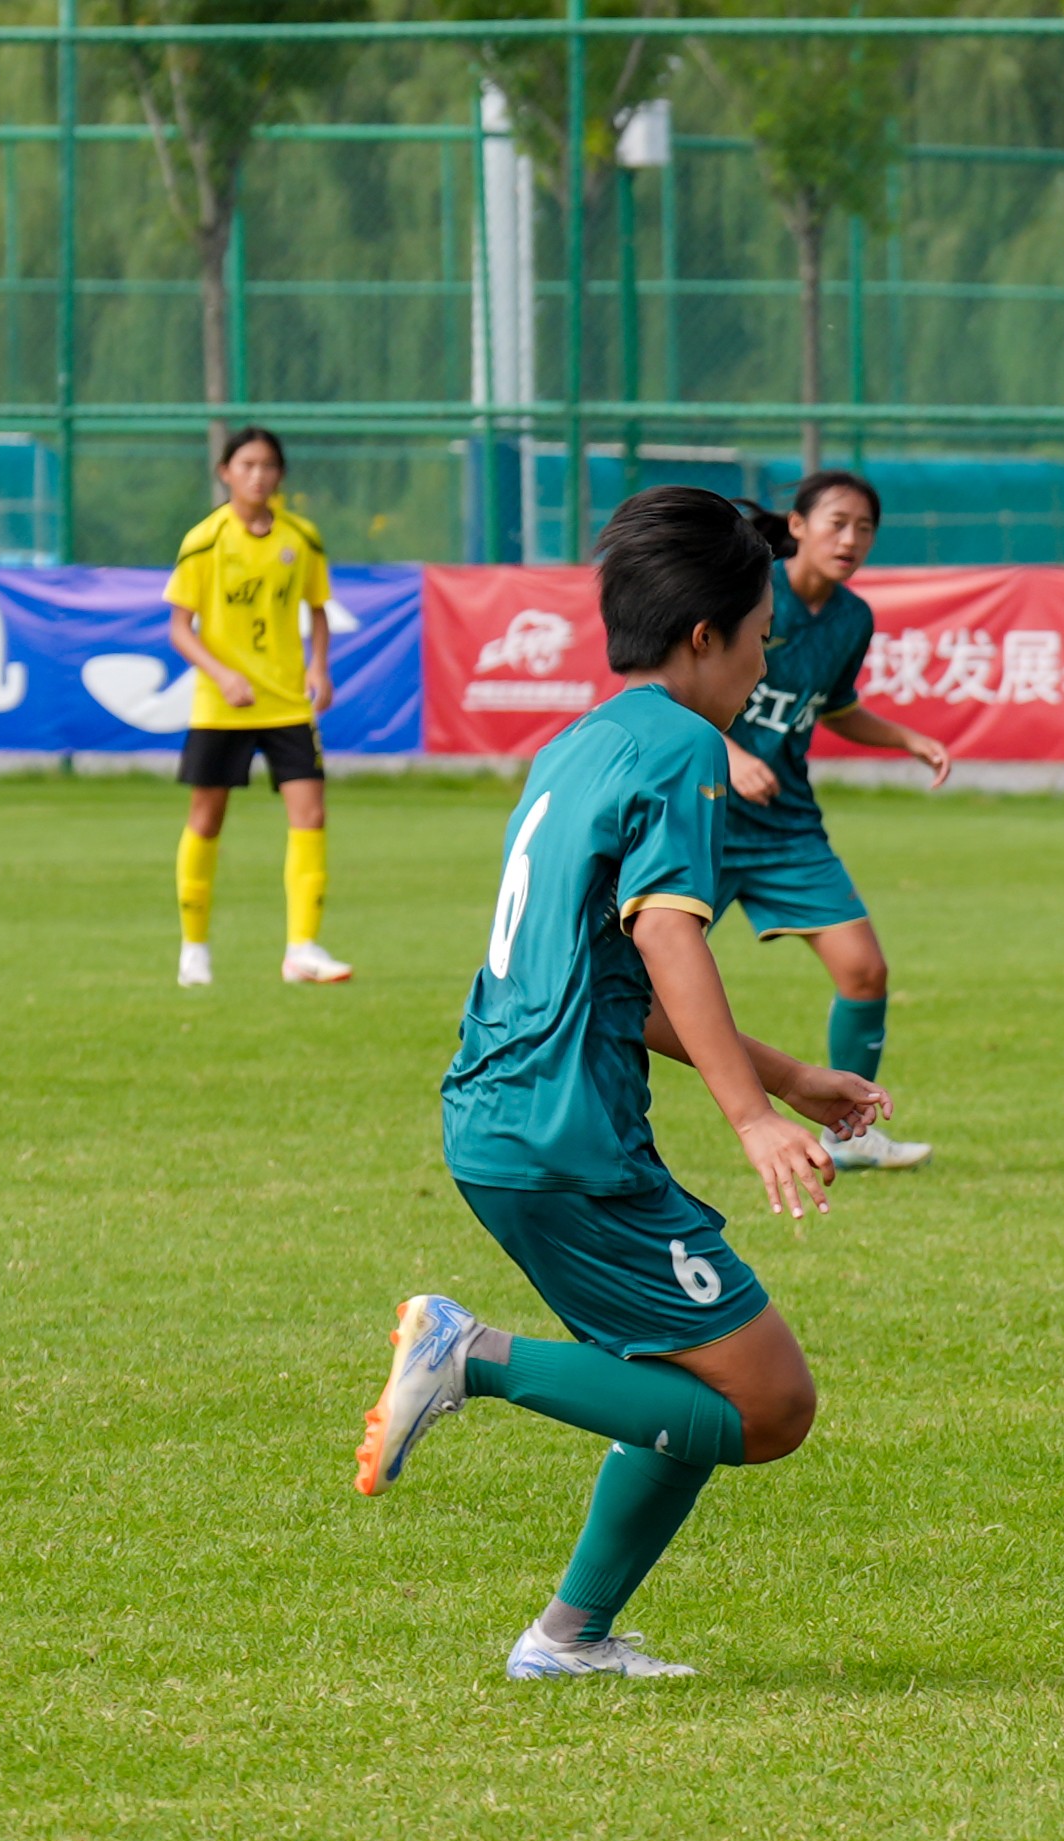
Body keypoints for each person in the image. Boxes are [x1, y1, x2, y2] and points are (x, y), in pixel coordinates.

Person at [356, 485, 893, 1681]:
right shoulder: (684, 748)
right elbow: (666, 933)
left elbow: (613, 979)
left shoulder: (580, 744)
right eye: (758, 636)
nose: (764, 659)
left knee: (687, 1375)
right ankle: (469, 1355)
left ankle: (570, 1638)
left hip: (501, 1118)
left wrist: (791, 1074)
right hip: (569, 1139)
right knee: (769, 1406)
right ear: (706, 636)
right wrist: (749, 1119)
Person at [718, 471, 950, 1170]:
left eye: (865, 528)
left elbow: (834, 706)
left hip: (787, 824)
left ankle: (849, 1135)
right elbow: (667, 690)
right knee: (629, 980)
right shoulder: (744, 594)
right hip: (701, 817)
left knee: (864, 969)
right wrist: (727, 753)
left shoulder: (853, 618)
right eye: (837, 523)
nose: (851, 539)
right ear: (796, 525)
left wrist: (905, 737)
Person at [165, 425, 347, 988]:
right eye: (246, 465)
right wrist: (221, 674)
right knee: (206, 818)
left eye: (268, 465)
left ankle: (302, 949)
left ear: (280, 475)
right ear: (225, 472)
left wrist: (318, 667)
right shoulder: (205, 540)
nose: (258, 475)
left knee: (310, 815)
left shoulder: (302, 537)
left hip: (287, 703)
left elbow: (318, 608)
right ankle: (194, 949)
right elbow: (179, 627)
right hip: (222, 707)